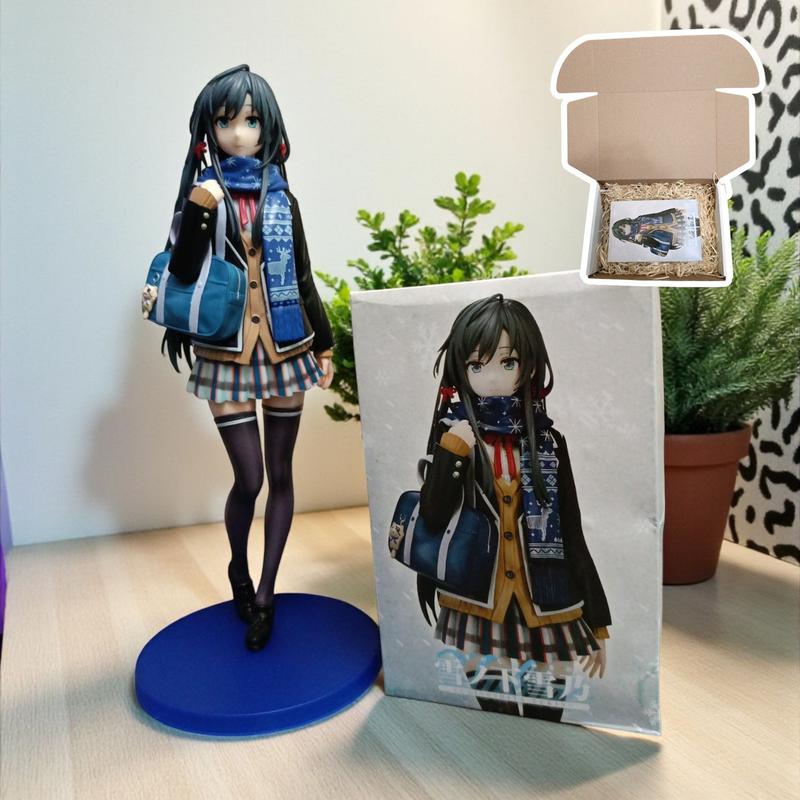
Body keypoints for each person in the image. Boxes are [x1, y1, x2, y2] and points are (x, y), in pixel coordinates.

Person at [155, 65, 334, 651]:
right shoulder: (204, 194)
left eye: (251, 121)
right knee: (249, 477)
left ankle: (266, 593)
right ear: (208, 128)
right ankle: (238, 565)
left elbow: (303, 276)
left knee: (281, 475)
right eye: (226, 121)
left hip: (287, 347)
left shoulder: (284, 198)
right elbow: (184, 272)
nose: (238, 133)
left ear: (268, 127)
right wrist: (200, 209)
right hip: (226, 351)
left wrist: (325, 342)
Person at [416, 294, 610, 720]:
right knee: (496, 713)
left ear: (529, 367)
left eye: (507, 363)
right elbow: (432, 517)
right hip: (476, 597)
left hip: (547, 598)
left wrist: (597, 620)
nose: (491, 377)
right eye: (476, 365)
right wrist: (451, 453)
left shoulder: (548, 443)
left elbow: (572, 531)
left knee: (548, 708)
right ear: (460, 370)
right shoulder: (454, 437)